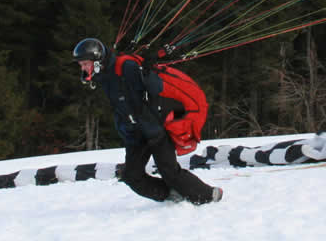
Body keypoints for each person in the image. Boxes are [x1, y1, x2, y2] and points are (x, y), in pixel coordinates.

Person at [73, 37, 223, 204]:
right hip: (135, 135)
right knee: (131, 176)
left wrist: (146, 72)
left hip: (155, 129)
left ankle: (209, 195)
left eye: (85, 64)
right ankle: (170, 195)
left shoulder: (127, 67)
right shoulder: (105, 74)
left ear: (97, 60)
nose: (83, 68)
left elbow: (156, 88)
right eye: (81, 65)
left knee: (170, 172)